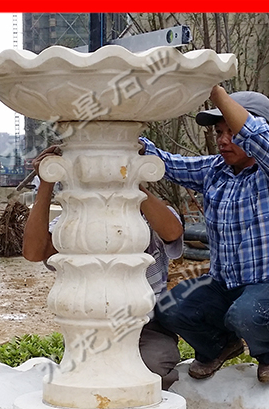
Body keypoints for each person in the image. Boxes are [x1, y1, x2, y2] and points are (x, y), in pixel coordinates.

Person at [140, 86, 269, 383]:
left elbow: (256, 138)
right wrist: (130, 140)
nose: (223, 140)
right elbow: (166, 163)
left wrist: (214, 91)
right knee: (169, 307)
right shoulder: (215, 170)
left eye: (232, 132)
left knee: (246, 313)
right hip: (224, 286)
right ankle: (219, 346)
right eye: (219, 132)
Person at [22, 145, 185, 389]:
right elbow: (34, 252)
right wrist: (46, 183)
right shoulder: (72, 225)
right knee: (88, 378)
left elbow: (172, 231)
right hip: (91, 325)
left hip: (147, 324)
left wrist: (129, 183)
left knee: (149, 371)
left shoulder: (147, 216)